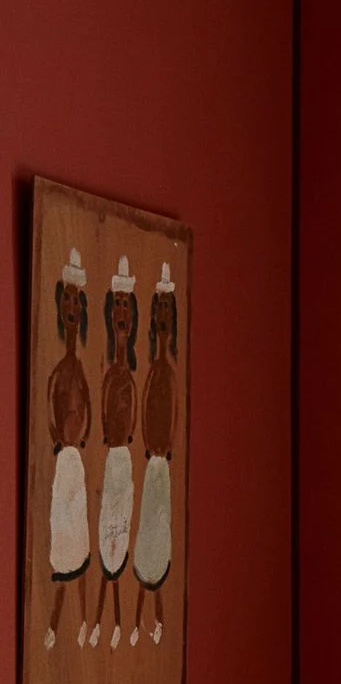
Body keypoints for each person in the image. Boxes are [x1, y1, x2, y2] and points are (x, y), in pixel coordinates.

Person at [44, 248, 91, 651]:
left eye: (77, 299)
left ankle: (82, 622)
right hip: (65, 460)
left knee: (80, 543)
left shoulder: (75, 370)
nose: (71, 307)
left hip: (75, 457)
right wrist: (60, 441)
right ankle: (56, 625)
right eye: (67, 299)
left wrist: (83, 436)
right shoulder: (60, 370)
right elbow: (48, 404)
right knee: (63, 547)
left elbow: (86, 407)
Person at [134, 263, 178, 644]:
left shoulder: (167, 372)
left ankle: (156, 620)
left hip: (160, 462)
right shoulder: (153, 372)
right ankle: (140, 618)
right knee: (147, 532)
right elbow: (147, 405)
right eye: (158, 309)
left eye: (167, 309)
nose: (162, 317)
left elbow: (170, 412)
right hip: (152, 461)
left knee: (159, 537)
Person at [97, 259, 138, 649]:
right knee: (105, 543)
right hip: (110, 460)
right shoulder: (109, 374)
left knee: (121, 540)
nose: (120, 313)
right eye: (116, 306)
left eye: (126, 306)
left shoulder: (127, 374)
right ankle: (104, 618)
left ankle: (120, 620)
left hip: (124, 460)